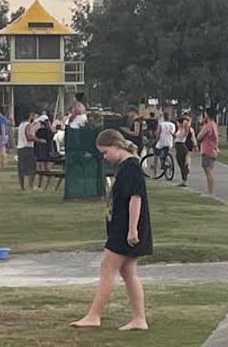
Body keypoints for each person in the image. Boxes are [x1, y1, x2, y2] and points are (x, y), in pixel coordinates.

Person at [72, 129, 151, 332]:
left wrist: (132, 230)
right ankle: (139, 319)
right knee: (128, 272)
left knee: (107, 269)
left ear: (117, 146)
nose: (105, 157)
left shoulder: (131, 167)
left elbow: (136, 198)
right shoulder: (125, 167)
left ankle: (94, 315)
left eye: (106, 152)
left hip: (125, 230)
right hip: (121, 227)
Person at [197, 108, 220, 196]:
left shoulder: (208, 125)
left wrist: (202, 125)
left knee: (208, 171)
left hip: (208, 149)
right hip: (213, 149)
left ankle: (210, 191)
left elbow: (199, 136)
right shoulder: (214, 124)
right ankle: (209, 190)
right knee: (209, 171)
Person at [16, 111, 37, 191]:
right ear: (30, 116)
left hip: (20, 147)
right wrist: (39, 140)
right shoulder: (28, 125)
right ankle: (30, 186)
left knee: (21, 168)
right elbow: (30, 137)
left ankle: (22, 187)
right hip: (27, 147)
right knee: (32, 167)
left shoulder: (20, 125)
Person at [153, 112, 176, 178]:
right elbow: (173, 134)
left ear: (163, 117)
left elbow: (158, 133)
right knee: (165, 152)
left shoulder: (161, 124)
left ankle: (155, 173)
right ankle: (166, 161)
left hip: (161, 142)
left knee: (156, 155)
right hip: (169, 142)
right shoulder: (173, 125)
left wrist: (156, 140)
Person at [174, 115, 194, 188]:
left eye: (178, 123)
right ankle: (184, 179)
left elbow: (185, 132)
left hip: (181, 146)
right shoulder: (180, 130)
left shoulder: (184, 130)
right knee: (180, 163)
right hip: (178, 146)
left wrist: (185, 123)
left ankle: (184, 180)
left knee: (182, 163)